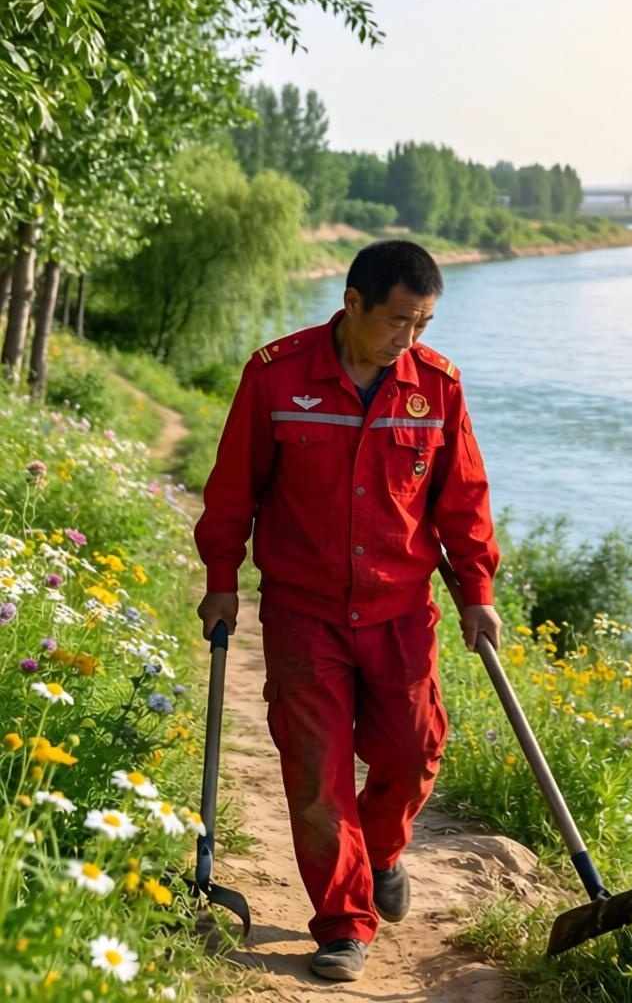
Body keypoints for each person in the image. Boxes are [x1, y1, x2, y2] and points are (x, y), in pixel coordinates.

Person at [194, 240, 501, 982]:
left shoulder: (437, 386)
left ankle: (384, 850)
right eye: (399, 320)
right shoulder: (276, 376)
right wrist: (221, 576)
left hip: (400, 610)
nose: (410, 339)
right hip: (304, 612)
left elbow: (462, 502)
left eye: (424, 323)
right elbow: (235, 486)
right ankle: (344, 923)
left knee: (413, 750)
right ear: (353, 303)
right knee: (316, 772)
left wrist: (478, 593)